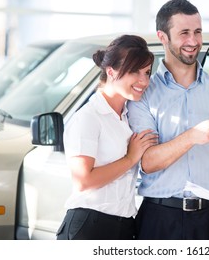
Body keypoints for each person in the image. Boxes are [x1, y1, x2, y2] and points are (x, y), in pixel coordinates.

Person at [127, 0, 209, 240]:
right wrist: (192, 137)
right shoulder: (144, 93)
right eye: (184, 33)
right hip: (160, 218)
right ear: (162, 36)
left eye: (198, 32)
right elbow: (146, 161)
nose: (194, 41)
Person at [56, 34, 158, 240]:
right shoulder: (89, 117)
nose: (144, 81)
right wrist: (130, 158)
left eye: (147, 72)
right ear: (111, 71)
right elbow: (83, 181)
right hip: (89, 226)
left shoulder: (129, 117)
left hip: (125, 226)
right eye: (134, 72)